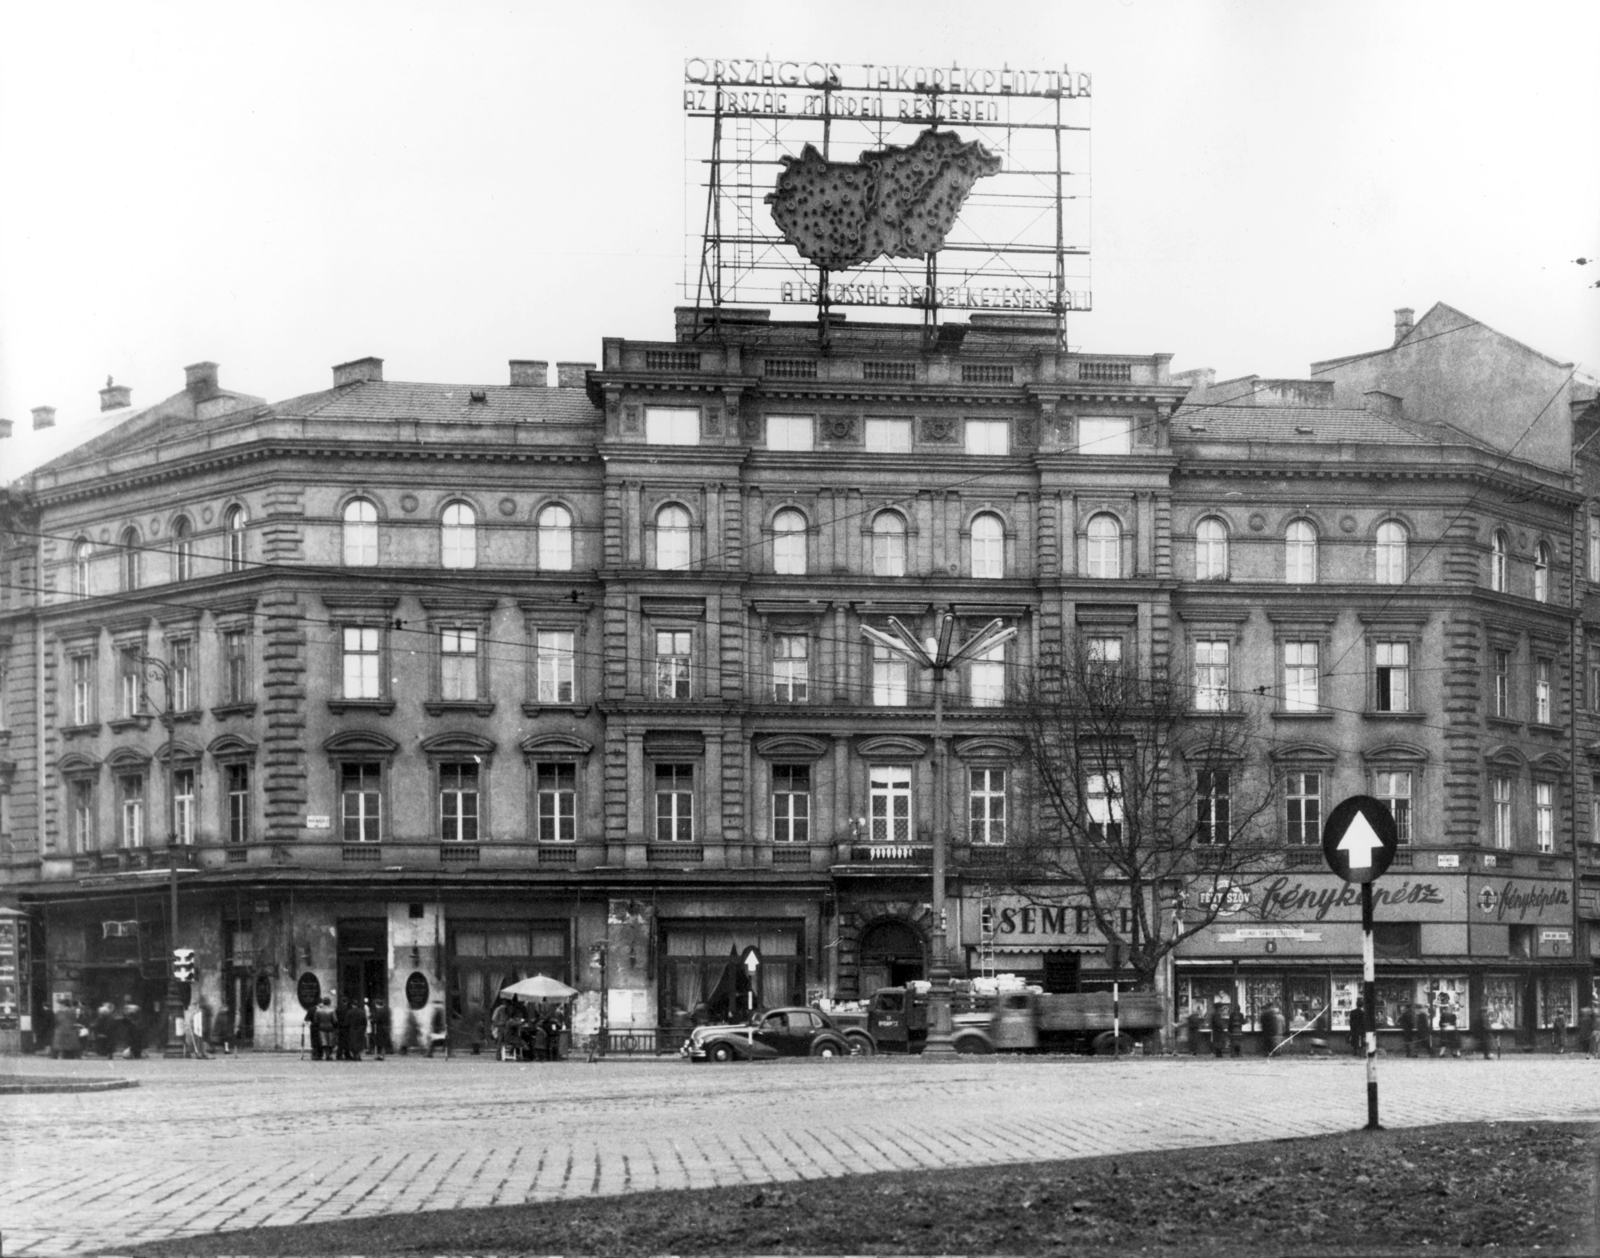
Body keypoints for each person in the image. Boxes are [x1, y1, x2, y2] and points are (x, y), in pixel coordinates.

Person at [347, 996, 367, 1062]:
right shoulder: (362, 1012)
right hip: (360, 1029)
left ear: (352, 1005)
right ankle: (358, 1055)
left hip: (352, 1029)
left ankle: (354, 1055)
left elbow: (347, 1022)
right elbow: (365, 1021)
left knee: (353, 1043)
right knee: (359, 1043)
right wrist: (364, 1028)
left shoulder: (349, 1012)